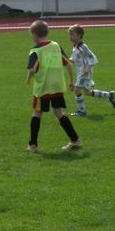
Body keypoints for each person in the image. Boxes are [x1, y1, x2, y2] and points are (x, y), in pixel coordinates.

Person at [26, 20, 82, 153]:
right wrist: (71, 81)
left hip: (43, 87)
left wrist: (28, 79)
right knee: (59, 113)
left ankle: (33, 145)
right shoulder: (56, 46)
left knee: (37, 113)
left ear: (35, 35)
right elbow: (69, 64)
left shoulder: (36, 50)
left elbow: (32, 69)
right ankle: (75, 140)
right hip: (57, 86)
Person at [68, 23, 115, 116]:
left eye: (72, 34)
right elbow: (74, 59)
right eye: (69, 35)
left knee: (77, 90)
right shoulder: (75, 46)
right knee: (87, 92)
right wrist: (66, 60)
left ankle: (82, 111)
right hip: (81, 72)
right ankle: (109, 95)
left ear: (79, 35)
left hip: (84, 72)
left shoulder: (82, 46)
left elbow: (92, 57)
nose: (70, 37)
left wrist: (88, 67)